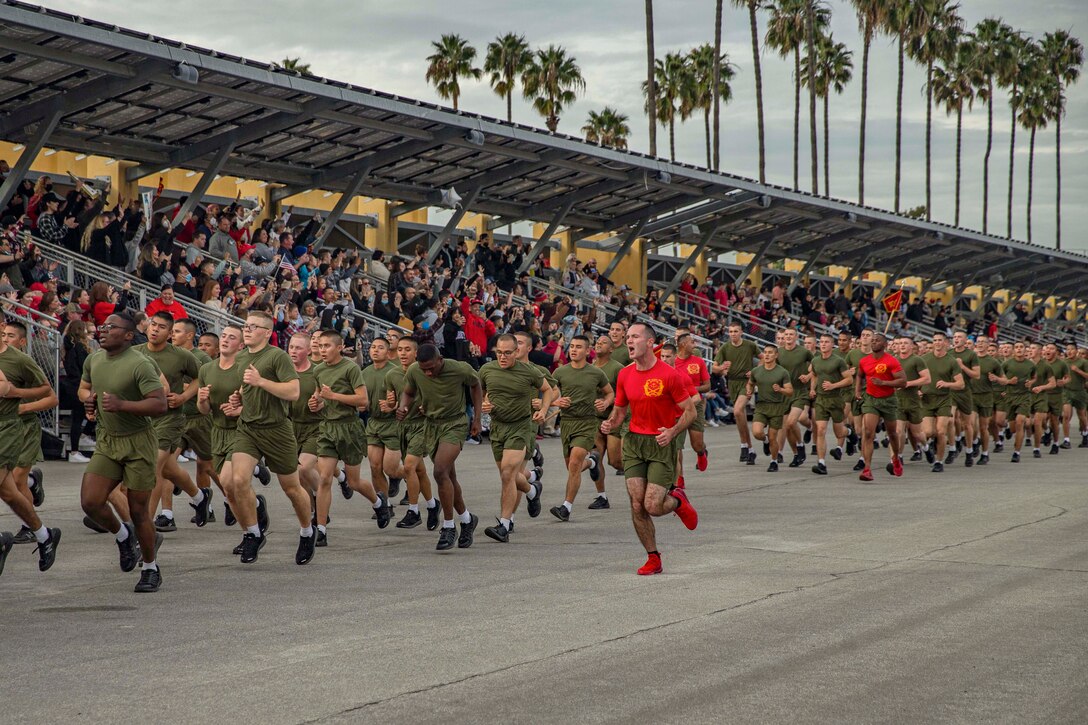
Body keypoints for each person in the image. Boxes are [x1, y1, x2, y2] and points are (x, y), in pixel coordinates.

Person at [601, 323, 697, 576]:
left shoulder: (670, 375)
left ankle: (677, 500)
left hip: (660, 442)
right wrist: (611, 422)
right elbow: (620, 410)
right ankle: (653, 557)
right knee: (637, 505)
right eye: (628, 337)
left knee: (653, 505)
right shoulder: (625, 374)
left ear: (649, 341)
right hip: (633, 441)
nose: (629, 341)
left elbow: (690, 411)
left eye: (634, 337)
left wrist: (673, 432)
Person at [78, 312, 165, 591]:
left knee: (140, 511)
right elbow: (86, 391)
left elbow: (159, 404)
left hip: (138, 441)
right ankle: (122, 535)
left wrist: (123, 405)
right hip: (107, 439)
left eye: (111, 327)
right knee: (91, 502)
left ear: (128, 336)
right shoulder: (94, 359)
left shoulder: (140, 364)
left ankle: (151, 567)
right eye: (102, 326)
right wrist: (90, 403)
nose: (103, 330)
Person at [228, 310, 316, 565]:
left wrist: (261, 381)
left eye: (254, 327)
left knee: (291, 487)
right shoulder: (241, 356)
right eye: (246, 325)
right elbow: (246, 388)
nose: (247, 330)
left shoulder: (277, 357)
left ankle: (307, 531)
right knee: (237, 480)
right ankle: (254, 534)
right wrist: (238, 398)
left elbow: (293, 391)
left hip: (277, 429)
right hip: (248, 428)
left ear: (267, 333)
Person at [396, 344, 482, 552]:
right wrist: (403, 406)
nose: (427, 372)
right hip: (431, 425)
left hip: (455, 423)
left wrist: (477, 418)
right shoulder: (415, 371)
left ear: (440, 359)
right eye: (423, 368)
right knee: (449, 478)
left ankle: (448, 526)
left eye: (431, 368)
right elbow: (408, 392)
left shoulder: (459, 369)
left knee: (440, 471)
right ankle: (467, 519)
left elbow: (476, 385)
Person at [133, 312, 211, 533]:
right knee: (169, 469)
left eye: (162, 327)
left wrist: (184, 397)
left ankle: (143, 529)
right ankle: (198, 497)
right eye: (153, 325)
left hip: (170, 418)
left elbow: (201, 378)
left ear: (169, 333)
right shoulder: (134, 353)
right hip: (142, 420)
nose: (155, 329)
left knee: (151, 467)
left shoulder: (181, 356)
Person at [313, 329, 387, 544]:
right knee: (325, 477)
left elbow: (363, 401)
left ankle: (378, 503)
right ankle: (321, 529)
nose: (322, 349)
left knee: (354, 481)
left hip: (349, 428)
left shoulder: (351, 368)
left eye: (327, 346)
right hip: (328, 428)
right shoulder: (318, 370)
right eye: (320, 346)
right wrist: (315, 402)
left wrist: (333, 396)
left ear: (339, 347)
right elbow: (318, 397)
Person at [477, 334, 553, 542]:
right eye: (499, 353)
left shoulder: (529, 371)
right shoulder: (487, 370)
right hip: (497, 427)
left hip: (520, 427)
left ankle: (504, 524)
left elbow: (547, 390)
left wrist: (543, 409)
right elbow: (482, 391)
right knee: (506, 473)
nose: (502, 357)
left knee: (508, 474)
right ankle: (531, 490)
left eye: (507, 353)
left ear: (516, 352)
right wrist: (484, 403)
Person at [0, 351, 61, 579]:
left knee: (13, 482)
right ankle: (45, 535)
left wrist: (16, 394)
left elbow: (47, 392)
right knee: (9, 492)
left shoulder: (19, 359)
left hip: (7, 429)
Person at [548, 334, 612, 523]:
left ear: (587, 350)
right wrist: (556, 401)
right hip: (567, 422)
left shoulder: (596, 373)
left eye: (578, 347)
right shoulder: (560, 372)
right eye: (572, 346)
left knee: (575, 463)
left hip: (587, 422)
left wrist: (605, 402)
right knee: (571, 467)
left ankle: (566, 507)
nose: (574, 350)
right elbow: (549, 394)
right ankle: (592, 462)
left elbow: (610, 392)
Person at [384, 337, 440, 530]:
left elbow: (438, 397)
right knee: (419, 470)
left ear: (416, 353)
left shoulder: (427, 372)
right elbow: (392, 404)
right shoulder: (391, 375)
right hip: (403, 426)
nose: (403, 353)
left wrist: (429, 407)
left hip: (422, 425)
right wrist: (390, 405)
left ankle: (414, 511)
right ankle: (433, 505)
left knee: (408, 467)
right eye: (400, 349)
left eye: (407, 350)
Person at [196, 324, 247, 531]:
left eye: (232, 337)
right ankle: (250, 529)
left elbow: (258, 404)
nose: (225, 340)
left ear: (241, 345)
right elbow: (204, 410)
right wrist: (201, 400)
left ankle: (251, 529)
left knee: (227, 481)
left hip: (242, 432)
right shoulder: (207, 369)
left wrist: (240, 408)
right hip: (217, 431)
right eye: (224, 336)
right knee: (231, 489)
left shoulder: (244, 369)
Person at [172, 319, 221, 519]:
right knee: (165, 463)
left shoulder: (203, 360)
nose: (172, 335)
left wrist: (184, 389)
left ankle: (233, 499)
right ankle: (167, 513)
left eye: (177, 331)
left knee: (208, 466)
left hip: (200, 418)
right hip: (176, 419)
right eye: (202, 344)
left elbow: (210, 388)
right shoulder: (171, 355)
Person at [286, 333, 324, 540]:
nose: (293, 351)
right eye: (291, 347)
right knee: (299, 477)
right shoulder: (284, 372)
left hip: (316, 427)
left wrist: (320, 403)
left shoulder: (318, 372)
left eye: (299, 348)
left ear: (309, 350)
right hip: (292, 427)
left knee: (305, 467)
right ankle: (310, 514)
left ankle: (322, 498)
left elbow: (329, 397)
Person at [853, 333, 906, 482]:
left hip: (888, 400)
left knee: (892, 433)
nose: (874, 342)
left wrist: (884, 383)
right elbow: (859, 375)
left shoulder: (891, 361)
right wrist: (857, 390)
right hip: (871, 399)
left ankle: (896, 458)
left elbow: (903, 381)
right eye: (873, 340)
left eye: (878, 341)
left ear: (885, 345)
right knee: (868, 432)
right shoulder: (864, 361)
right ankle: (867, 469)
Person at [360, 338, 405, 508]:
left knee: (390, 469)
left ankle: (408, 474)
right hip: (373, 423)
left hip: (393, 424)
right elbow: (361, 399)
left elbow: (408, 400)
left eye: (380, 348)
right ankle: (384, 505)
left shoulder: (395, 372)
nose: (375, 350)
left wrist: (393, 406)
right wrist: (361, 405)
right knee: (374, 466)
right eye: (373, 347)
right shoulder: (365, 373)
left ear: (388, 352)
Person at [712, 323, 760, 464]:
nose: (733, 334)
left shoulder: (750, 345)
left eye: (736, 331)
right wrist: (721, 367)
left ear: (741, 332)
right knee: (740, 416)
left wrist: (756, 371)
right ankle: (749, 449)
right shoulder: (725, 347)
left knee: (738, 410)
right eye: (731, 331)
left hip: (747, 382)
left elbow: (764, 358)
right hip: (732, 383)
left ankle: (743, 444)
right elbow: (714, 368)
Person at [808, 334, 853, 475]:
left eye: (826, 342)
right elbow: (814, 374)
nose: (823, 344)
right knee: (820, 430)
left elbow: (849, 379)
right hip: (821, 400)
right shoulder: (815, 361)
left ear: (832, 344)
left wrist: (833, 385)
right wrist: (812, 388)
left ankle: (850, 433)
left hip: (835, 399)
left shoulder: (838, 361)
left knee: (839, 432)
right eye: (821, 342)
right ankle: (821, 463)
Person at [920, 332, 964, 473]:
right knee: (927, 431)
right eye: (935, 340)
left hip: (944, 400)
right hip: (927, 399)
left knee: (940, 431)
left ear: (945, 343)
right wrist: (918, 390)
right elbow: (916, 377)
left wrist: (946, 384)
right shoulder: (924, 359)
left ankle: (938, 461)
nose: (937, 343)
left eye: (940, 340)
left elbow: (961, 384)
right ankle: (926, 449)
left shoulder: (951, 361)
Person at [745, 344, 793, 472]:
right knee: (757, 432)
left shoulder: (782, 372)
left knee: (773, 437)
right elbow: (750, 383)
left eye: (770, 352)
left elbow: (790, 391)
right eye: (765, 352)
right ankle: (764, 440)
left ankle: (774, 461)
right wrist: (749, 392)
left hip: (776, 407)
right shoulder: (757, 371)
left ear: (776, 355)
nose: (766, 355)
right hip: (761, 406)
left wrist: (781, 389)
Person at [671, 332, 710, 483]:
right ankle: (679, 479)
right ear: (682, 345)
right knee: (677, 446)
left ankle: (701, 453)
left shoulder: (698, 361)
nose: (694, 344)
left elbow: (707, 386)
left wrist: (691, 390)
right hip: (677, 407)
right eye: (691, 342)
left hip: (695, 405)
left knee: (697, 444)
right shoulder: (673, 362)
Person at [591, 334, 625, 507]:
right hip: (595, 420)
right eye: (597, 342)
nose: (599, 344)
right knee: (596, 458)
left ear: (611, 349)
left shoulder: (617, 368)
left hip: (614, 418)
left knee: (615, 461)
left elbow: (623, 395)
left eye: (603, 343)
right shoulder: (589, 368)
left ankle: (637, 469)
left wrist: (607, 404)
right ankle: (602, 496)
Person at [776, 329, 813, 468]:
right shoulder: (779, 352)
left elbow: (817, 363)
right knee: (786, 426)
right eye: (786, 335)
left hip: (800, 392)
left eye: (791, 334)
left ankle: (800, 445)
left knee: (792, 422)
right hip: (785, 392)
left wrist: (808, 376)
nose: (788, 337)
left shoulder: (803, 351)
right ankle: (797, 454)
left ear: (796, 337)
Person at [894, 337, 931, 463]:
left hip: (913, 400)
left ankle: (926, 447)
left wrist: (908, 383)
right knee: (898, 431)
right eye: (901, 343)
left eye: (905, 343)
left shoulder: (917, 360)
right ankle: (898, 456)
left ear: (911, 346)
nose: (902, 345)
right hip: (898, 401)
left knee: (917, 433)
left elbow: (927, 379)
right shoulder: (894, 360)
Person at [998, 341, 1036, 462]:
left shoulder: (1031, 364)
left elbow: (1035, 377)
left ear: (1025, 350)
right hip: (1010, 397)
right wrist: (1008, 382)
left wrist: (1031, 382)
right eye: (1017, 347)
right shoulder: (1006, 364)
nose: (1019, 349)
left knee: (1020, 422)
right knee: (1014, 428)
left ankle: (1016, 452)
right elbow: (1000, 379)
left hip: (1024, 396)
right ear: (1014, 350)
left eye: (1021, 347)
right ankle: (1009, 428)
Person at [949, 331, 981, 466]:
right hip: (950, 392)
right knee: (950, 420)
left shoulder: (971, 354)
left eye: (959, 337)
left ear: (965, 340)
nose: (956, 339)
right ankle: (952, 448)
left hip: (965, 392)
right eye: (955, 337)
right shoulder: (949, 353)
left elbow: (977, 375)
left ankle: (969, 451)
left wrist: (962, 366)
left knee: (967, 424)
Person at [971, 337, 1002, 465]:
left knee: (984, 427)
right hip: (971, 395)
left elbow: (1004, 379)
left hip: (986, 396)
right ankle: (974, 441)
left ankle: (985, 453)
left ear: (988, 345)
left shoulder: (993, 362)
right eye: (978, 342)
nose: (980, 344)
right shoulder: (970, 359)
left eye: (983, 342)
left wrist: (996, 378)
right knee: (971, 423)